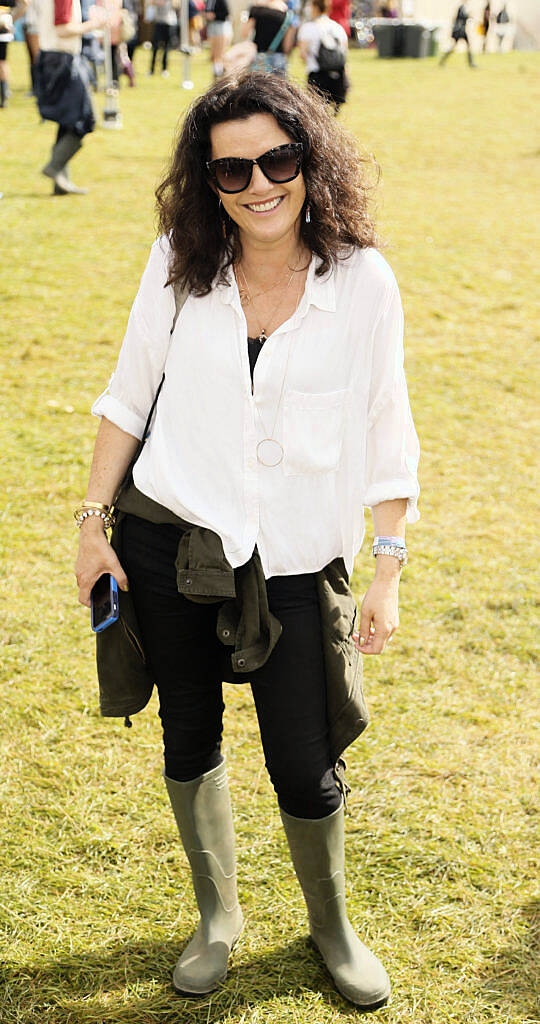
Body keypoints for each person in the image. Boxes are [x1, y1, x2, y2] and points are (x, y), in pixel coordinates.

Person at [75, 72, 420, 1010]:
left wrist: (386, 570)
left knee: (306, 757)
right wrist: (92, 527)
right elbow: (126, 393)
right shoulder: (180, 263)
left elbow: (390, 427)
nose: (259, 184)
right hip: (169, 541)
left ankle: (331, 926)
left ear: (312, 162)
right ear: (207, 180)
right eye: (233, 170)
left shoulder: (362, 282)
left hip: (299, 561)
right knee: (188, 731)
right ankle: (218, 918)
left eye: (279, 159)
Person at [35, 0, 107, 192]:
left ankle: (60, 183)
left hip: (52, 57)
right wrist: (93, 24)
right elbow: (63, 29)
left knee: (66, 120)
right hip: (62, 60)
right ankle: (54, 167)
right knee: (85, 119)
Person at [298, 0, 348, 114]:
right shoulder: (337, 27)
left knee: (316, 113)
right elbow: (344, 54)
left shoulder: (308, 28)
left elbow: (303, 54)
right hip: (337, 75)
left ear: (315, 7)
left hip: (317, 74)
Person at [241, 0, 294, 73]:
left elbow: (245, 33)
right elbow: (287, 46)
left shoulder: (257, 10)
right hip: (279, 58)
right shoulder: (288, 15)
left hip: (259, 57)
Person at [0, 0, 26, 107]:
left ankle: (4, 95)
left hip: (2, 31)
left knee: (2, 62)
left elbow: (24, 4)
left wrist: (10, 19)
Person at [148, 0, 177, 76]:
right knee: (155, 47)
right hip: (159, 22)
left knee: (166, 48)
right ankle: (152, 69)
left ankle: (164, 69)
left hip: (169, 22)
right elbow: (151, 3)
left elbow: (176, 5)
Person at [205, 0, 230, 78]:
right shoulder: (209, 1)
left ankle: (222, 71)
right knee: (213, 52)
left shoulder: (221, 1)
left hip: (220, 25)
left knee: (220, 51)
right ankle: (216, 70)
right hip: (211, 25)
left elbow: (226, 13)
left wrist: (215, 15)